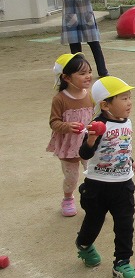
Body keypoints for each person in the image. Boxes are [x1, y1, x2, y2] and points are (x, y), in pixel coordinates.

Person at [75, 76, 135, 278]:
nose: (129, 102)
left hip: (123, 184)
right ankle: (83, 244)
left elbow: (122, 146)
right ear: (105, 105)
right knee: (94, 221)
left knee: (125, 224)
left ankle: (122, 262)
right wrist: (91, 139)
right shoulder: (97, 125)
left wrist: (131, 161)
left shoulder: (127, 122)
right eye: (123, 99)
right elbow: (84, 154)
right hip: (97, 186)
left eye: (129, 98)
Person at [47, 53, 94, 217]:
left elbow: (95, 116)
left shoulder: (90, 94)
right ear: (66, 78)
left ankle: (96, 199)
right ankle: (68, 198)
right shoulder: (60, 99)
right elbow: (54, 123)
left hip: (89, 142)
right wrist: (67, 126)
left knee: (94, 172)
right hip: (69, 146)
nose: (88, 76)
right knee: (72, 178)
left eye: (89, 71)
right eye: (82, 73)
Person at [57, 0, 108, 77]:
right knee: (75, 47)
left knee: (95, 44)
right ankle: (79, 72)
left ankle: (103, 71)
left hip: (86, 14)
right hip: (71, 15)